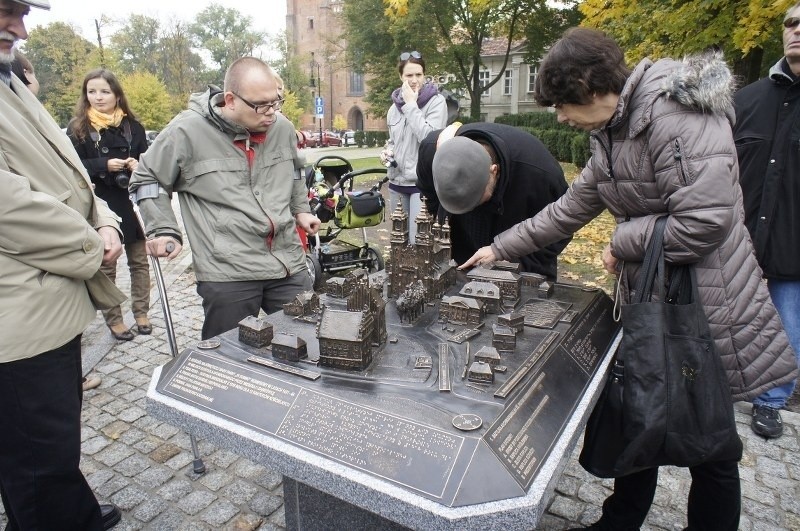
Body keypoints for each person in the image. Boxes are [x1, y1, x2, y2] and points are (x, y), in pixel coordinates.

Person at [460, 27, 798, 530]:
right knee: (641, 412)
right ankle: (619, 522)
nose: (560, 117)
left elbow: (707, 221)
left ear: (590, 87)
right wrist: (498, 247)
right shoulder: (614, 130)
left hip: (707, 302)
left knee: (710, 440)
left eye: (561, 104)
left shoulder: (674, 115)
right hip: (654, 294)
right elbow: (570, 208)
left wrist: (622, 243)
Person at [0, 0, 124, 528]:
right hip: (19, 314)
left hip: (42, 300)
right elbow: (10, 206)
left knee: (47, 443)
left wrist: (103, 218)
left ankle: (73, 511)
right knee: (37, 455)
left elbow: (64, 171)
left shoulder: (6, 79)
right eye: (8, 9)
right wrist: (91, 247)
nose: (21, 27)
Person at [129, 57, 320, 340]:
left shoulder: (280, 127)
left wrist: (300, 209)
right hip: (228, 269)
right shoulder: (186, 132)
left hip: (286, 259)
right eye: (262, 105)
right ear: (230, 100)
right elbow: (148, 180)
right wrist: (163, 229)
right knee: (228, 356)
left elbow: (293, 170)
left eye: (276, 102)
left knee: (309, 338)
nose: (271, 112)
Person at [733, 2, 800, 439]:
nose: (796, 30)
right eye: (791, 23)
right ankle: (712, 389)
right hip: (736, 241)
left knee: (787, 326)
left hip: (793, 247)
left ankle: (772, 401)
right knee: (722, 319)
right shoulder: (747, 99)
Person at [416, 121, 570, 279]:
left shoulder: (540, 175)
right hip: (458, 238)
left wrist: (512, 262)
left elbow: (559, 230)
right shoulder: (432, 150)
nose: (469, 207)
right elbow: (429, 197)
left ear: (494, 171)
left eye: (474, 199)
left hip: (519, 246)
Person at [67, 69, 151, 342]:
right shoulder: (78, 128)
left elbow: (148, 163)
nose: (98, 97)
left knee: (139, 262)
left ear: (116, 94)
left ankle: (141, 313)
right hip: (101, 205)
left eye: (104, 91)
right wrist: (103, 164)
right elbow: (71, 168)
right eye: (92, 91)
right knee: (108, 266)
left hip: (130, 202)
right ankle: (114, 320)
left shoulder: (133, 127)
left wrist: (138, 165)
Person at [381, 50, 448, 243]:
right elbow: (394, 141)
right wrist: (387, 152)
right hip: (396, 183)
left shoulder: (436, 102)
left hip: (421, 184)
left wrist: (411, 105)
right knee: (398, 241)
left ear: (425, 75)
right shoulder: (394, 108)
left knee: (419, 243)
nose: (414, 80)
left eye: (418, 74)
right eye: (409, 75)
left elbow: (430, 139)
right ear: (401, 76)